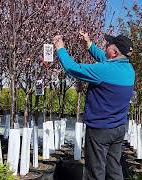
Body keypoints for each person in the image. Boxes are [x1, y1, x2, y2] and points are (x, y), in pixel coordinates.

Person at [53, 32, 135, 180]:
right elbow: (106, 59)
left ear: (115, 52)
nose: (106, 45)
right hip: (118, 129)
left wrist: (60, 48)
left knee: (95, 172)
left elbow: (72, 68)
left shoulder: (103, 71)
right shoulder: (129, 70)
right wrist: (89, 45)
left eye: (109, 44)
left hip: (99, 130)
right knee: (114, 169)